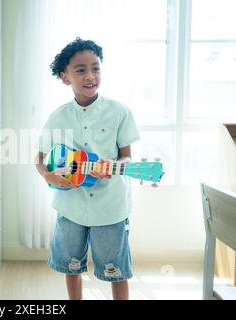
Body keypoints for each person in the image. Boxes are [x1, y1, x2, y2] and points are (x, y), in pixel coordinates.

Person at [35, 38, 140, 300]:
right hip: (70, 207)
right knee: (72, 267)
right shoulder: (57, 117)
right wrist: (48, 175)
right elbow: (39, 158)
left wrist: (114, 166)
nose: (90, 75)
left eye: (96, 68)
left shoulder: (120, 112)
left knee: (117, 271)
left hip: (110, 207)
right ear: (65, 77)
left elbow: (127, 158)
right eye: (81, 70)